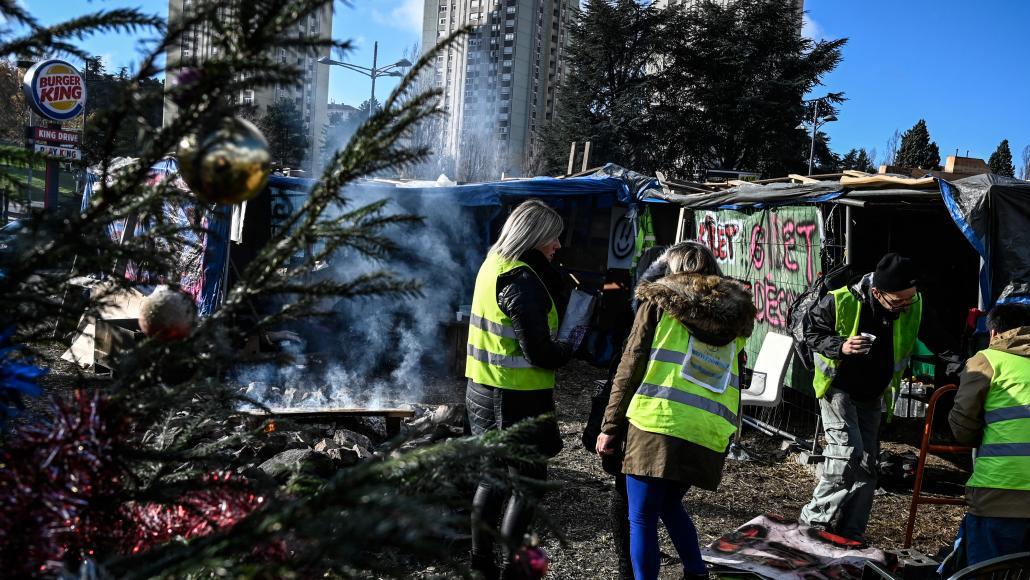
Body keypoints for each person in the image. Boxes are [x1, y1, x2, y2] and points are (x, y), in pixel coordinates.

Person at [597, 241, 756, 580]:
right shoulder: (737, 320)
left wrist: (609, 426)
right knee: (669, 503)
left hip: (657, 422)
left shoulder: (657, 304)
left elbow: (630, 365)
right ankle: (696, 572)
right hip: (708, 430)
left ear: (672, 270)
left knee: (641, 516)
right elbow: (738, 377)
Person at [800, 252, 955, 542]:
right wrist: (841, 346)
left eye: (911, 297)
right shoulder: (839, 300)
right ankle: (812, 524)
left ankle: (851, 533)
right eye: (899, 301)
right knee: (848, 455)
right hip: (839, 388)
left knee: (868, 464)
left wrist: (963, 365)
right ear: (876, 292)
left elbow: (939, 339)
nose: (906, 305)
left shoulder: (914, 304)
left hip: (873, 393)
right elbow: (810, 332)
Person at [465, 199, 574, 579]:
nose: (558, 246)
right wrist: (570, 346)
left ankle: (481, 566)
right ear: (535, 236)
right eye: (553, 238)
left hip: (482, 389)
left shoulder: (492, 265)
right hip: (514, 399)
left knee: (491, 479)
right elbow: (541, 353)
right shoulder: (521, 281)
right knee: (526, 485)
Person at [947, 303, 1030, 566]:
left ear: (994, 333)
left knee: (988, 569)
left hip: (1001, 492)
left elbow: (962, 425)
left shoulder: (988, 360)